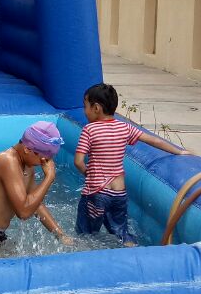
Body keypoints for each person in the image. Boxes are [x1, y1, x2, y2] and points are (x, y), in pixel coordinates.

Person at [74, 83, 188, 245]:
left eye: (85, 106)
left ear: (96, 108)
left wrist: (88, 173)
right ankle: (133, 253)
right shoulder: (124, 127)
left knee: (85, 235)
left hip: (96, 192)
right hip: (119, 193)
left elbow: (78, 162)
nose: (84, 111)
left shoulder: (89, 130)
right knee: (122, 233)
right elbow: (154, 140)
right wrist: (179, 152)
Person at [0, 122, 73, 250]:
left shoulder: (28, 164)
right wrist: (49, 178)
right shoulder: (7, 160)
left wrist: (60, 235)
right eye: (44, 159)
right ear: (28, 149)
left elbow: (36, 204)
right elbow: (23, 212)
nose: (45, 164)